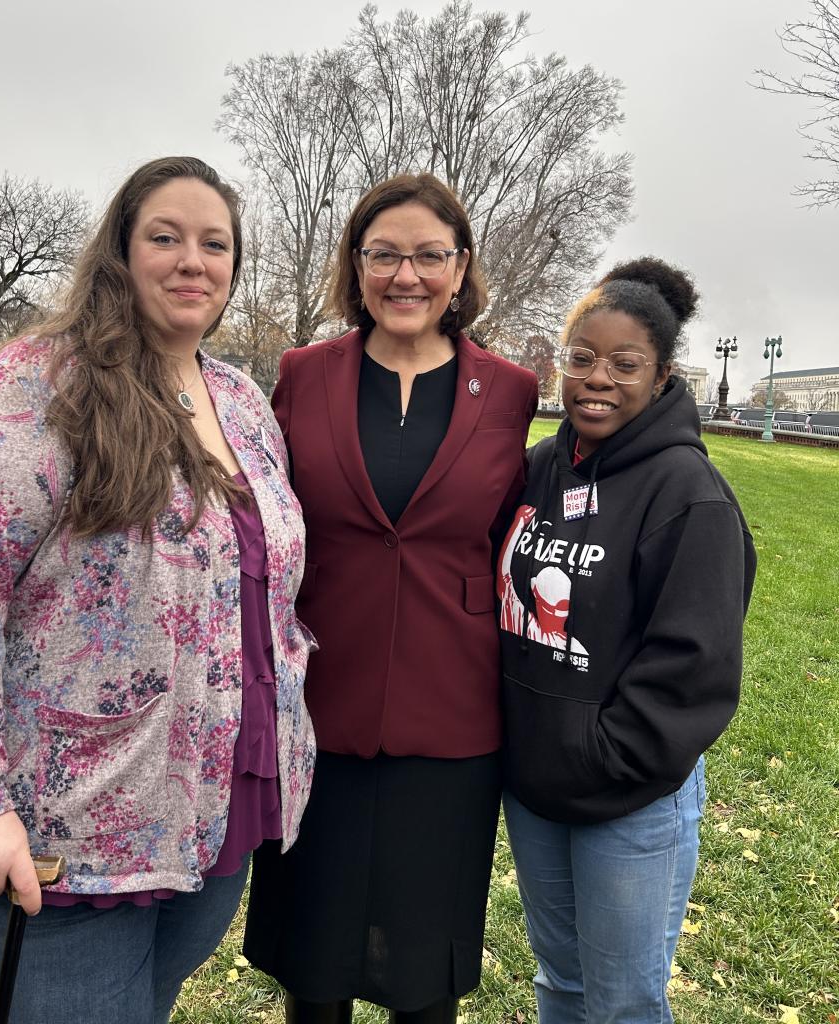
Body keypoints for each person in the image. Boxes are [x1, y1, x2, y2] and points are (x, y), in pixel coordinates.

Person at [0, 156, 317, 1024]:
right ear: (120, 252)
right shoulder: (39, 385)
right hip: (63, 840)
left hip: (210, 819)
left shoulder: (239, 400)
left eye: (215, 243)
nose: (192, 260)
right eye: (165, 237)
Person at [244, 174, 538, 1024]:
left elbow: (514, 532)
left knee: (424, 971)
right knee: (316, 961)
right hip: (320, 707)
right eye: (384, 255)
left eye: (428, 256)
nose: (405, 276)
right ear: (356, 265)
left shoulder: (510, 391)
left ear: (461, 267)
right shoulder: (304, 374)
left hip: (452, 715)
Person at [497, 257, 757, 1023]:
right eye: (582, 359)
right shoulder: (539, 469)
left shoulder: (689, 493)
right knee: (561, 985)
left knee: (622, 1006)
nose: (596, 379)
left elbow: (695, 666)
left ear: (663, 374)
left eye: (624, 364)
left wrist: (602, 756)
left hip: (629, 800)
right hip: (536, 789)